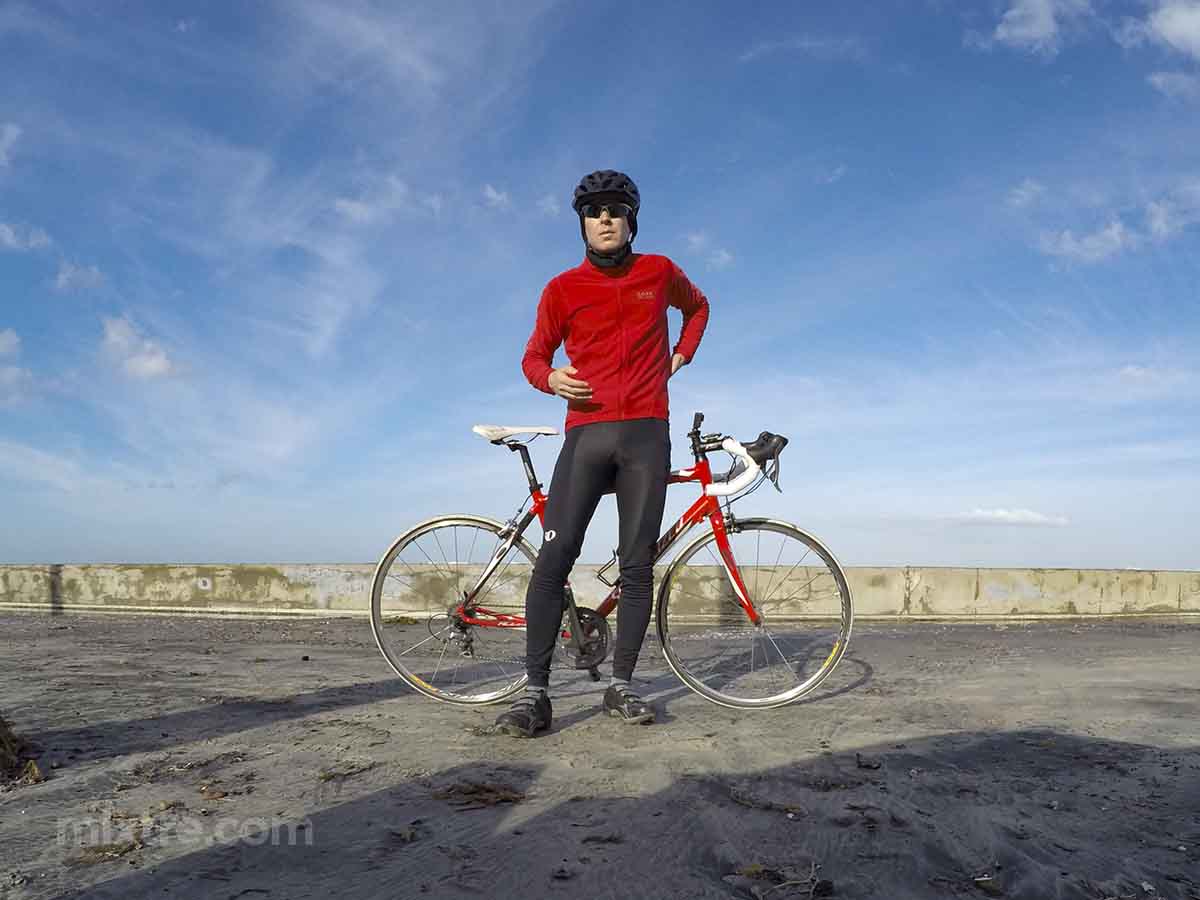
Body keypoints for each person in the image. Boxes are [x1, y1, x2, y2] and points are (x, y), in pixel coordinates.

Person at [495, 170, 710, 737]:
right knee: (555, 557)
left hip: (645, 432)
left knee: (637, 565)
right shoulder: (561, 288)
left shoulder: (658, 272)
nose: (605, 218)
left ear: (631, 219)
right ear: (583, 224)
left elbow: (699, 307)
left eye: (616, 209)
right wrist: (550, 379)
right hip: (586, 434)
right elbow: (533, 356)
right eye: (594, 212)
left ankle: (622, 686)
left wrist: (682, 356)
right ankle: (535, 695)